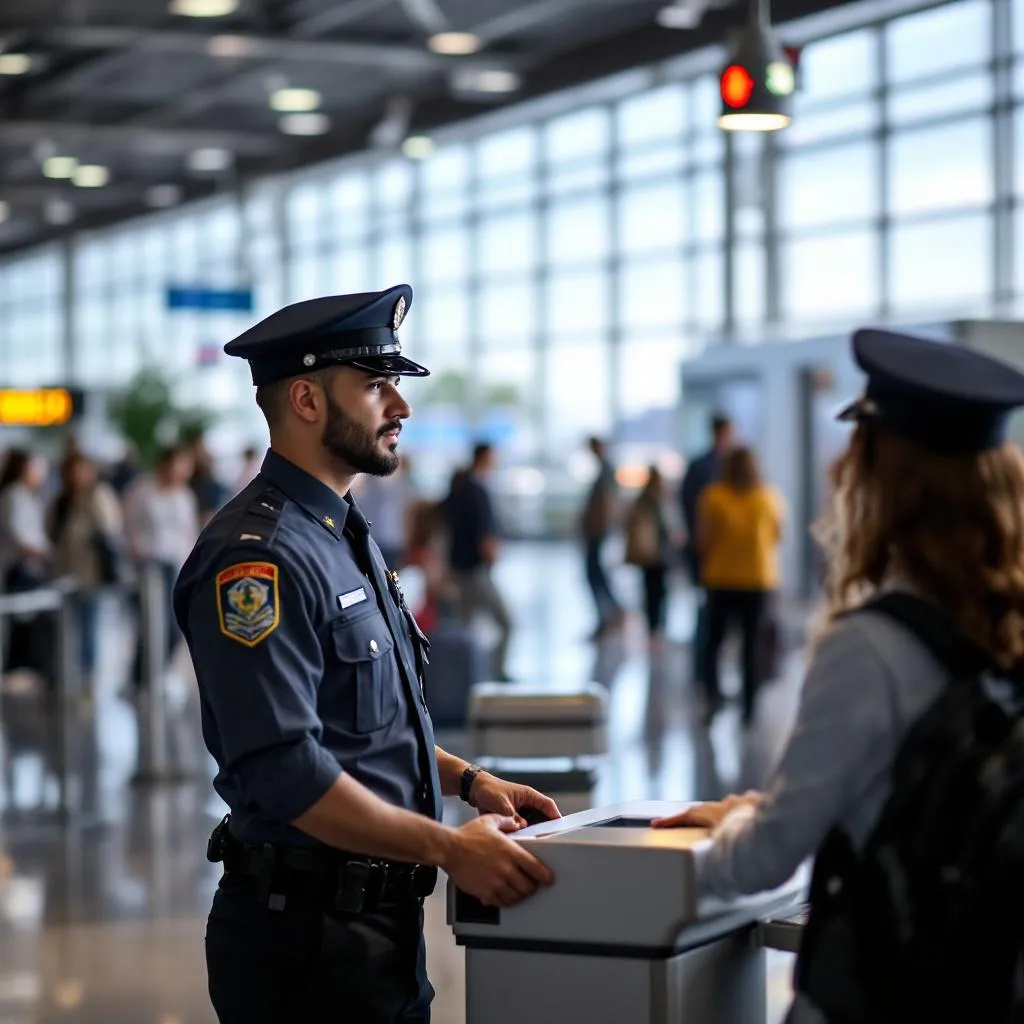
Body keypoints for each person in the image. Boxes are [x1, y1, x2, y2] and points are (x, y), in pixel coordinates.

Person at [174, 284, 559, 1023]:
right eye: (378, 386)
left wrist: (468, 780)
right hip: (305, 945)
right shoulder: (259, 560)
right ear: (309, 403)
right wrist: (449, 848)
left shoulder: (339, 533)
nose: (402, 408)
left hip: (372, 932)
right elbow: (286, 769)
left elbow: (366, 725)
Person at [652, 328, 1024, 1023]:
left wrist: (688, 855)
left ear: (888, 479)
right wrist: (764, 809)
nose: (835, 473)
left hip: (883, 988)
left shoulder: (872, 646)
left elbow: (763, 862)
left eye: (856, 451)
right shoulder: (1009, 626)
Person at [696, 446, 784, 725]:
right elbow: (777, 536)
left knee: (713, 643)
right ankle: (749, 708)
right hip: (758, 579)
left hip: (721, 579)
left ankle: (714, 699)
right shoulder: (769, 498)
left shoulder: (714, 497)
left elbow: (703, 540)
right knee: (751, 645)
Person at [443, 442, 514, 681]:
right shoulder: (477, 491)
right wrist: (491, 554)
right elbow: (485, 535)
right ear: (483, 458)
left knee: (466, 625)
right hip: (476, 571)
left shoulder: (458, 488)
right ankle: (495, 671)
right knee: (506, 622)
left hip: (459, 568)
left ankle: (467, 675)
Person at [679, 414, 733, 684]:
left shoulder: (707, 466)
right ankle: (706, 676)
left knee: (711, 618)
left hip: (715, 556)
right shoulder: (714, 469)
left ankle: (707, 676)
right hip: (713, 558)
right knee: (711, 618)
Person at [579, 436, 624, 640]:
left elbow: (606, 502)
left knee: (594, 574)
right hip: (598, 530)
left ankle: (611, 614)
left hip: (598, 531)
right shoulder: (604, 469)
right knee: (597, 574)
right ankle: (611, 613)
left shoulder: (605, 470)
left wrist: (598, 525)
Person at [623, 465, 674, 643]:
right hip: (657, 553)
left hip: (651, 554)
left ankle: (654, 628)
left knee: (652, 591)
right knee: (658, 592)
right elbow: (664, 526)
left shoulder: (644, 499)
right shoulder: (656, 500)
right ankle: (656, 628)